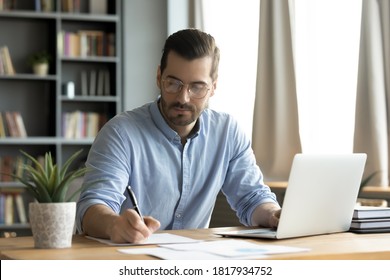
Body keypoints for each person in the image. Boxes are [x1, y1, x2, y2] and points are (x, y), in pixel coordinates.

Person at [76, 28, 281, 244]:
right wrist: (114, 225)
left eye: (197, 87)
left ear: (213, 87)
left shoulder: (227, 133)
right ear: (158, 77)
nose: (183, 98)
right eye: (173, 83)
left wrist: (273, 215)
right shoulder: (119, 133)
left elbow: (252, 198)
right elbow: (92, 207)